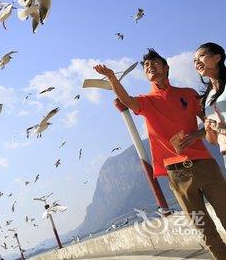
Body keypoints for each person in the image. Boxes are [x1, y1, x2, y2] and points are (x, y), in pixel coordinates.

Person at [94, 48, 226, 260]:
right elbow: (126, 100)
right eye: (146, 66)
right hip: (178, 174)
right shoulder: (145, 101)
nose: (150, 66)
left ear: (166, 68)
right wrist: (111, 78)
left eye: (154, 63)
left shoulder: (188, 94)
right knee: (206, 231)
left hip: (205, 164)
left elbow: (209, 123)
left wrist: (196, 134)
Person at [194, 42, 226, 166]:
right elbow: (212, 141)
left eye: (201, 56)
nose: (197, 62)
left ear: (217, 58)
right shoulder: (206, 99)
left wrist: (222, 128)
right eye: (194, 60)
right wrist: (209, 130)